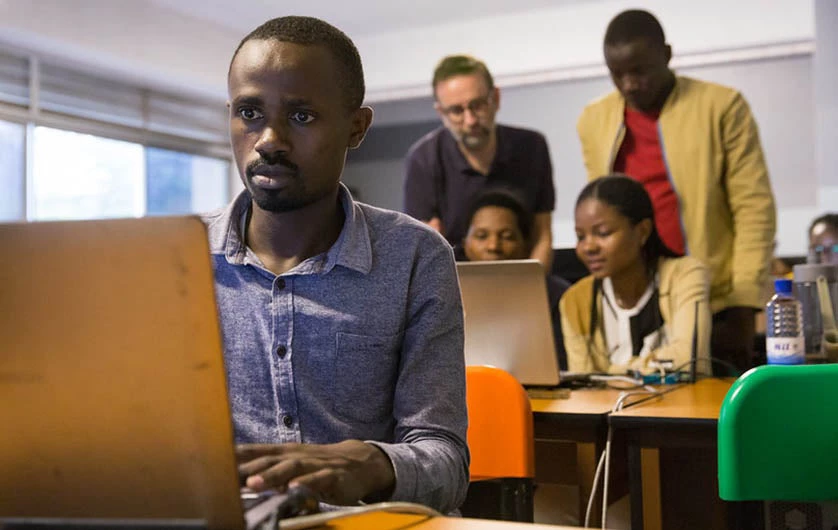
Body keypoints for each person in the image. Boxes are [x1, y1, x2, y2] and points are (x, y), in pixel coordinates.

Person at [202, 16, 469, 512]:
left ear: (356, 128)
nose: (269, 140)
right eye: (250, 112)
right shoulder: (182, 258)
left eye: (301, 116)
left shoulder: (414, 257)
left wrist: (373, 465)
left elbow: (446, 464)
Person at [576, 9, 776, 373]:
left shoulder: (722, 106)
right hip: (634, 301)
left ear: (667, 55)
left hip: (715, 298)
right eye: (617, 74)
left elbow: (754, 209)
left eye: (639, 70)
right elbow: (602, 210)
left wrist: (743, 304)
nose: (629, 84)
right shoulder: (594, 119)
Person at [403, 54, 556, 269]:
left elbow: (542, 235)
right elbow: (419, 251)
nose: (470, 120)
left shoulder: (531, 147)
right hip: (454, 287)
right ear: (441, 113)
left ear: (496, 98)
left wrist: (534, 288)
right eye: (457, 111)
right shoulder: (424, 159)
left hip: (522, 279)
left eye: (477, 105)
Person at [560, 175, 711, 374]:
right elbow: (583, 384)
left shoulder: (684, 275)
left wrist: (614, 372)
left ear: (642, 231)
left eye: (603, 233)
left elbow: (688, 358)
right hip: (609, 406)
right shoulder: (575, 300)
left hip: (682, 404)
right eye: (580, 237)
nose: (588, 246)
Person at [457, 188, 571, 369]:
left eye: (507, 237)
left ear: (526, 244)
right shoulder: (445, 292)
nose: (493, 246)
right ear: (465, 243)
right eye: (481, 236)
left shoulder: (556, 294)